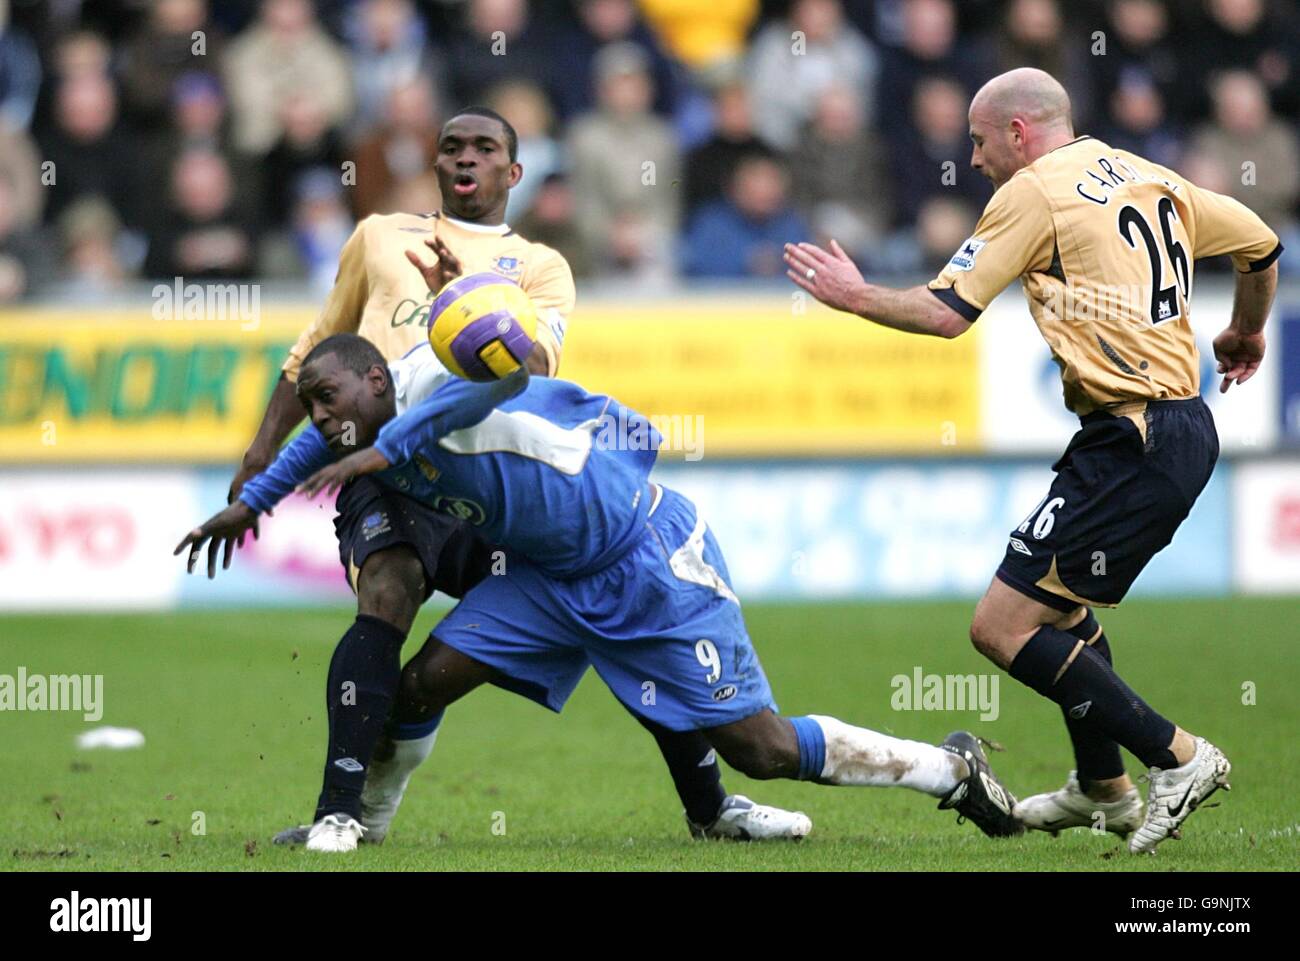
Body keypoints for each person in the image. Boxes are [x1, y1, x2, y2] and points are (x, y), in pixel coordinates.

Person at [178, 333, 1025, 851]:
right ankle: (364, 825)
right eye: (314, 404)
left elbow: (505, 378)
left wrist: (387, 444)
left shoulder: (438, 386)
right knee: (422, 681)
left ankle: (949, 769)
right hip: (546, 579)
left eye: (331, 400)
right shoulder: (362, 418)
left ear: (376, 378)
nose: (322, 418)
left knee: (760, 747)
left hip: (647, 564)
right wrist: (249, 501)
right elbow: (314, 453)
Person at [218, 105, 808, 847]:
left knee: (608, 606)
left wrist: (462, 302)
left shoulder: (539, 265)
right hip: (382, 466)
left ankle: (710, 804)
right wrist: (261, 450)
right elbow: (313, 350)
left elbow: (533, 369)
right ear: (436, 165)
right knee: (389, 588)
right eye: (452, 147)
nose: (466, 159)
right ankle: (338, 813)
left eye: (485, 148)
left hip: (485, 468)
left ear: (513, 171)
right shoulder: (377, 235)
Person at [784, 68, 1282, 854]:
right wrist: (1247, 330)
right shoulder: (1149, 175)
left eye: (979, 141)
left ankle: (1178, 755)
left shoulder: (1034, 191)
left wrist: (854, 296)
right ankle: (1104, 786)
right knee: (1061, 607)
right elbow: (1261, 242)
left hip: (1136, 434)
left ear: (1018, 133)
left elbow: (948, 313)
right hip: (1169, 427)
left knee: (1002, 626)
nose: (974, 159)